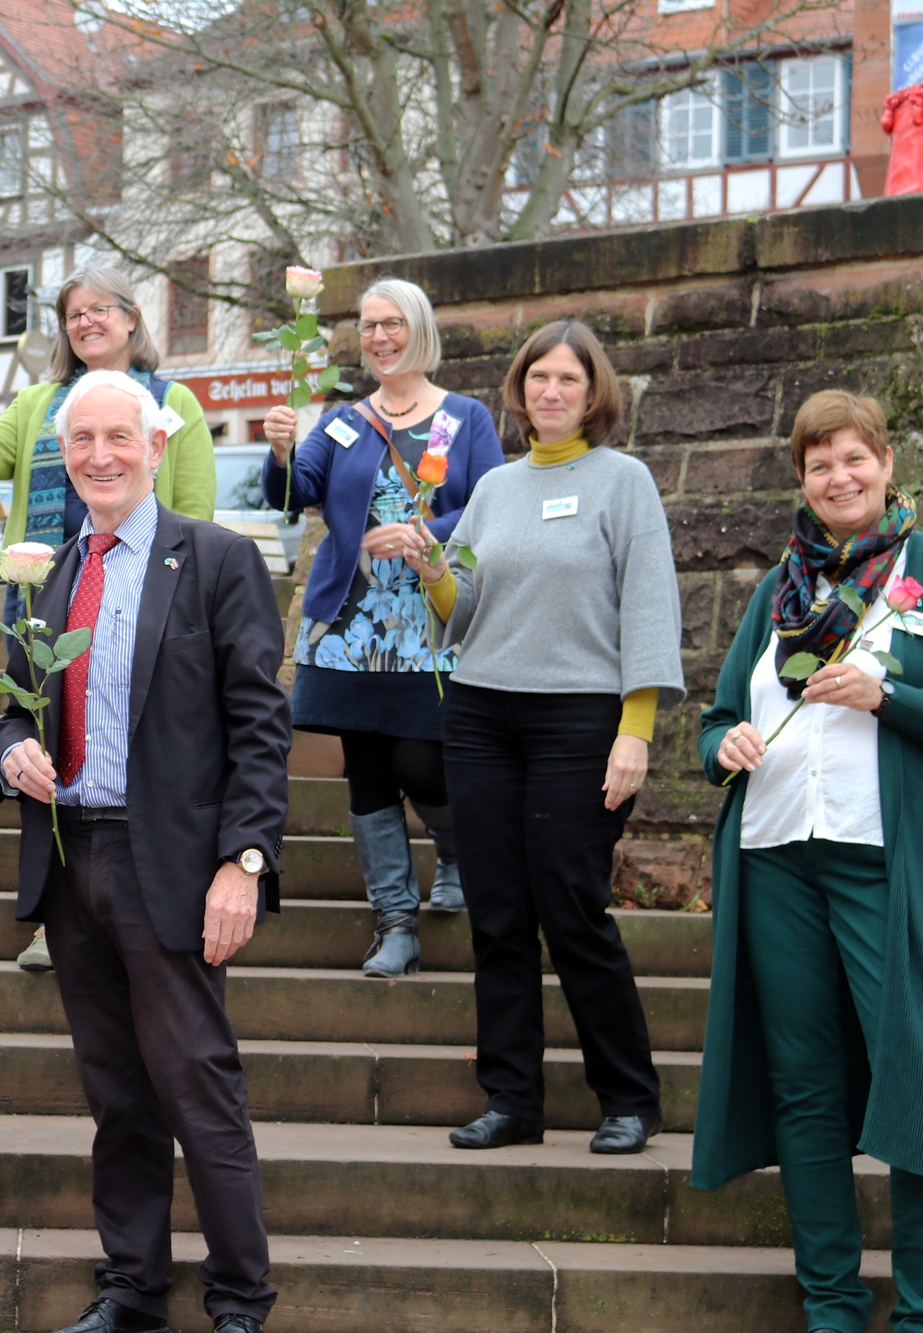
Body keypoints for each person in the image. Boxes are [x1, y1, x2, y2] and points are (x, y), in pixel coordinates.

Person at [697, 391, 923, 1333]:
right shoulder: (777, 589)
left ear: (886, 463)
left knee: (918, 1073)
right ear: (802, 478)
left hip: (888, 868)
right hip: (776, 860)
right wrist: (724, 745)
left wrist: (888, 699)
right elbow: (720, 715)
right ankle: (831, 1298)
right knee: (804, 1081)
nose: (839, 477)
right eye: (819, 463)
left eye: (854, 458)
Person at [0, 370, 289, 1333]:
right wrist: (14, 753)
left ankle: (241, 1296)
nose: (100, 457)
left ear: (156, 448)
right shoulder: (42, 573)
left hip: (168, 863)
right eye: (82, 441)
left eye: (119, 437)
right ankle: (133, 1286)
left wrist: (243, 861)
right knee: (116, 1092)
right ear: (65, 456)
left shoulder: (212, 560)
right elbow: (12, 708)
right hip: (70, 854)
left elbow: (258, 723)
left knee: (196, 1083)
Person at [404, 320, 682, 1155]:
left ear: (595, 393)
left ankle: (630, 1097)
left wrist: (635, 731)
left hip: (582, 718)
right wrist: (431, 572)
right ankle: (512, 1097)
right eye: (538, 379)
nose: (551, 392)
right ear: (519, 392)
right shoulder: (494, 487)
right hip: (485, 713)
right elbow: (464, 613)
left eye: (568, 379)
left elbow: (649, 607)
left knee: (571, 907)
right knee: (497, 913)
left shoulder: (623, 481)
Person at [0, 266, 216, 976]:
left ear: (130, 318)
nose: (86, 323)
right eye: (74, 314)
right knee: (47, 752)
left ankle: (134, 899)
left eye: (100, 310)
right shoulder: (36, 402)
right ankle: (59, 914)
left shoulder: (172, 400)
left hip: (145, 611)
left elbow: (198, 509)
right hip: (47, 607)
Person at [260, 279, 504, 977]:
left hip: (431, 620)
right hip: (348, 624)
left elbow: (492, 502)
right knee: (366, 768)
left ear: (420, 329)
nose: (380, 337)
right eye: (369, 326)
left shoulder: (465, 416)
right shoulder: (343, 421)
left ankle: (455, 851)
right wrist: (281, 452)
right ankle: (394, 923)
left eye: (393, 323)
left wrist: (424, 534)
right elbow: (293, 495)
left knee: (422, 761)